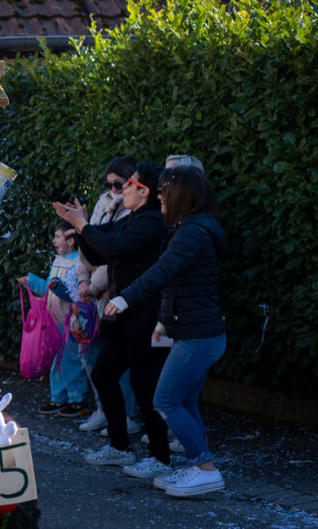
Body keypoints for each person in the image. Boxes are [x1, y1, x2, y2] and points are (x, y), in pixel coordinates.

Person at [112, 166, 227, 497]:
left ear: (181, 195)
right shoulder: (191, 228)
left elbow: (163, 271)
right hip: (197, 333)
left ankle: (206, 469)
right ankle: (198, 467)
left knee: (165, 400)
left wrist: (125, 298)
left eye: (165, 189)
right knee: (185, 402)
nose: (160, 195)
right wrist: (164, 323)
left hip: (198, 336)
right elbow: (179, 284)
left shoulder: (192, 232)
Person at [54, 162, 172, 477]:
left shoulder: (152, 222)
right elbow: (98, 252)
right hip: (123, 312)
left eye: (128, 184)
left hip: (145, 312)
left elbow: (113, 247)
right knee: (105, 374)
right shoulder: (131, 219)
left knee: (144, 385)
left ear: (144, 191)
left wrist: (83, 225)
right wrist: (79, 228)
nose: (120, 191)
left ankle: (160, 457)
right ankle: (120, 448)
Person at [74, 156, 139, 433]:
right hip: (94, 295)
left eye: (118, 184)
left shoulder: (133, 210)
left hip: (113, 294)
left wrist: (91, 286)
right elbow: (88, 243)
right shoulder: (103, 202)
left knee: (116, 358)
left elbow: (114, 254)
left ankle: (127, 416)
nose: (113, 189)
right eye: (109, 184)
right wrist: (82, 279)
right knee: (89, 354)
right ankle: (105, 410)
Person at [16, 222, 87, 417]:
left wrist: (57, 288)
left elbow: (76, 294)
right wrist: (30, 281)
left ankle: (77, 399)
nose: (54, 241)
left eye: (58, 236)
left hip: (74, 321)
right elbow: (48, 288)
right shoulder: (57, 261)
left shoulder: (79, 261)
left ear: (70, 241)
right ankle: (59, 396)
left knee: (72, 359)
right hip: (54, 322)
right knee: (56, 358)